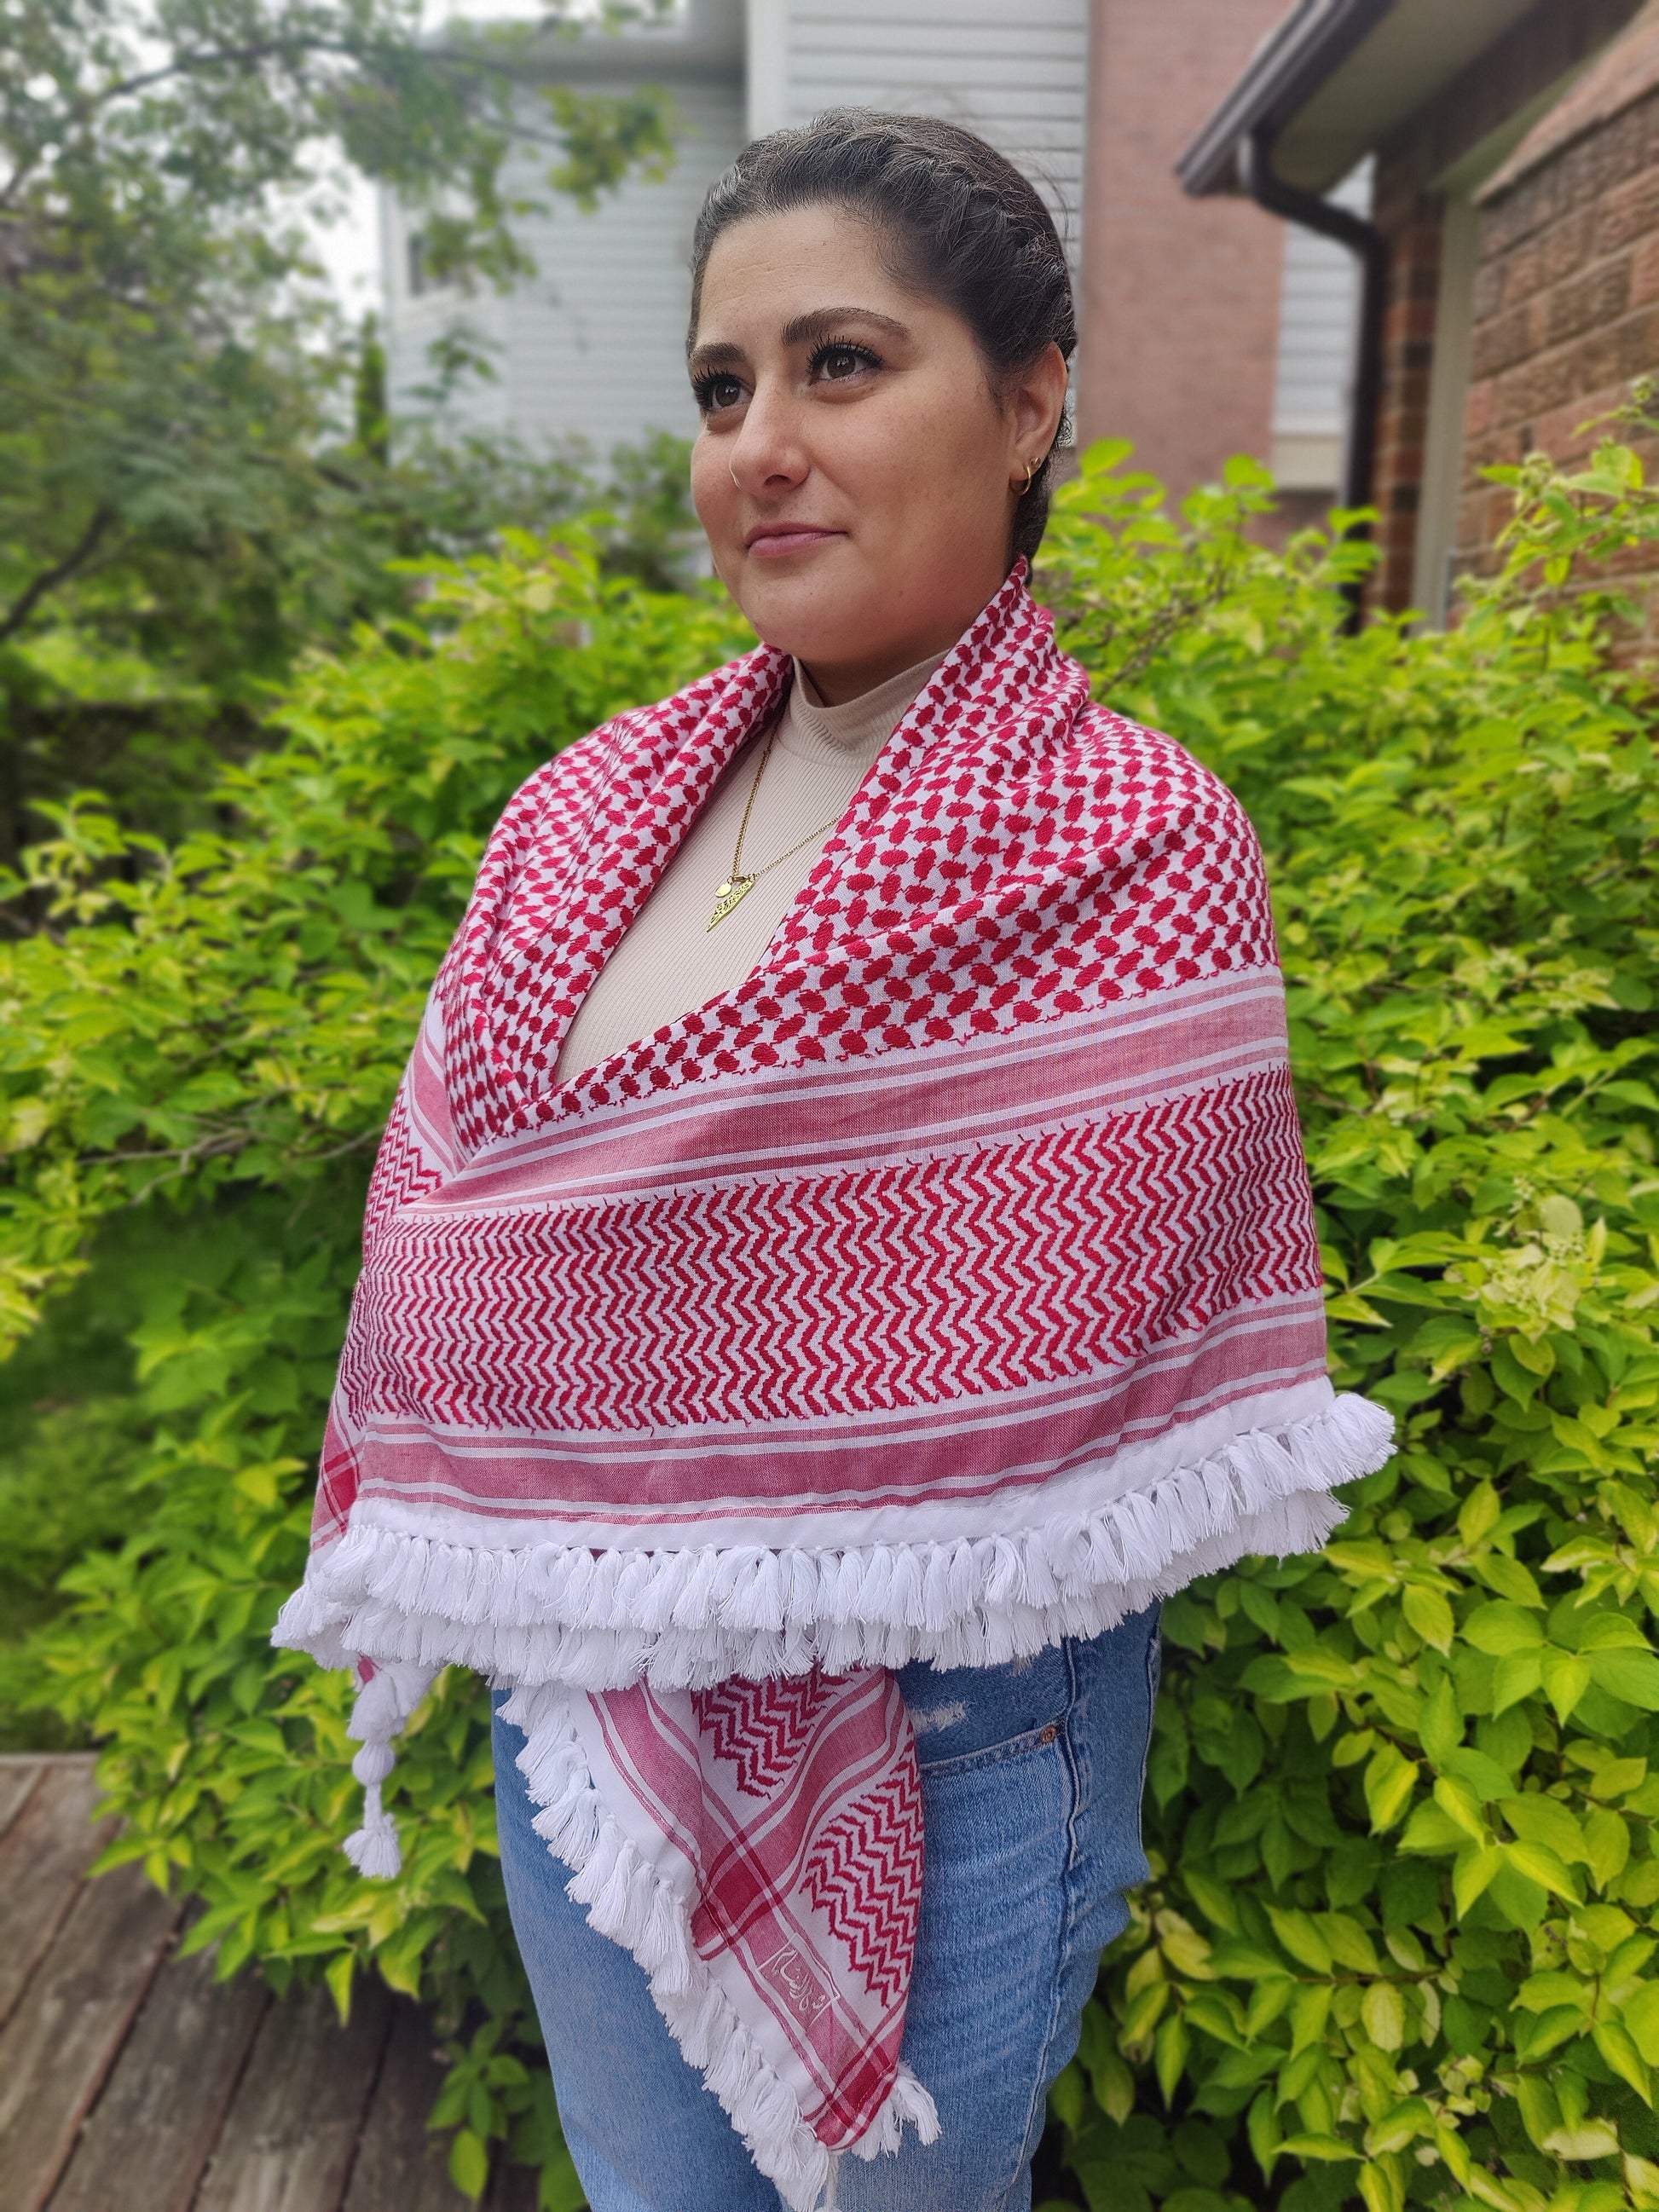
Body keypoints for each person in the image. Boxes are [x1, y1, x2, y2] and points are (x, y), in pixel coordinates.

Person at [276, 110, 1390, 2212]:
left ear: (1030, 400)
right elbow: (449, 1233)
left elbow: (1059, 1330)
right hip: (579, 1690)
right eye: (723, 388)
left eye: (842, 364)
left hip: (960, 1730)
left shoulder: (1135, 843)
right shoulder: (574, 816)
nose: (760, 446)